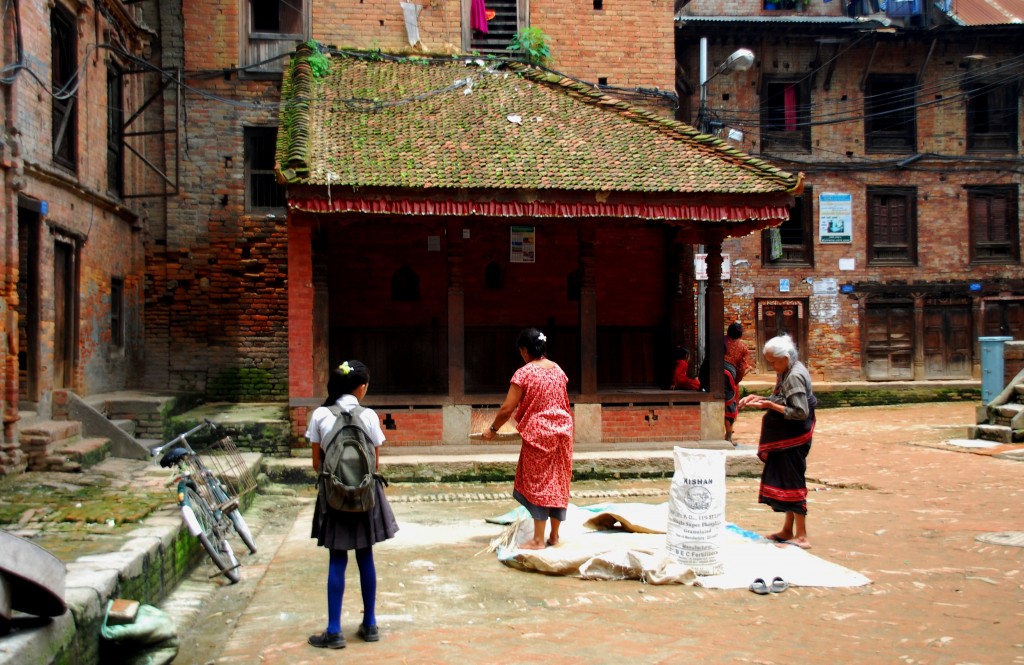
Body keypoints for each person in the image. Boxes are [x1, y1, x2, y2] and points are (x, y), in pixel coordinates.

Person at [305, 360, 399, 649]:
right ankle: (370, 625)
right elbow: (375, 463)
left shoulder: (320, 414)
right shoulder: (369, 416)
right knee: (365, 556)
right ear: (360, 387)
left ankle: (334, 631)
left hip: (334, 496)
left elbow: (316, 463)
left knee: (337, 559)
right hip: (365, 495)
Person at [481, 328, 574, 550]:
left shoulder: (524, 373)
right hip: (563, 432)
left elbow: (506, 409)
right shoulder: (558, 370)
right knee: (558, 481)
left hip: (539, 434)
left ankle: (538, 540)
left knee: (541, 482)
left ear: (524, 350)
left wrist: (492, 429)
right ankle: (554, 536)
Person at [738, 334, 816, 550]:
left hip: (794, 436)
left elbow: (799, 412)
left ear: (785, 358)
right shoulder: (786, 371)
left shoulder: (794, 376)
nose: (772, 366)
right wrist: (759, 398)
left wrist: (769, 406)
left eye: (773, 362)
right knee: (786, 479)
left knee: (793, 479)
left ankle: (801, 535)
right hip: (785, 435)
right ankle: (787, 529)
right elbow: (782, 399)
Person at [723, 322, 753, 444]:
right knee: (729, 405)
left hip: (712, 372)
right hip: (728, 377)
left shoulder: (720, 341)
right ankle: (729, 437)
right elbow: (741, 369)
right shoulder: (743, 348)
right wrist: (736, 381)